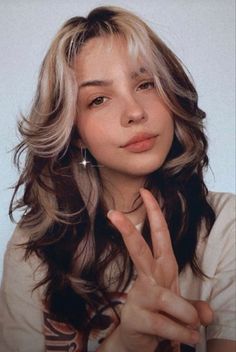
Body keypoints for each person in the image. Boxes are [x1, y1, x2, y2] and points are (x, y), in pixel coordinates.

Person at [0, 5, 235, 352]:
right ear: (75, 131)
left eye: (146, 83)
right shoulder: (31, 247)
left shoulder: (225, 225)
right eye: (98, 99)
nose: (135, 112)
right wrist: (124, 344)